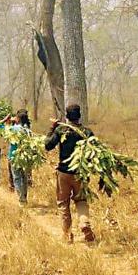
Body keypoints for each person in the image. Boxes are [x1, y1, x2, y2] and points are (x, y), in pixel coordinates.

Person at [45, 103, 95, 243]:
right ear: (79, 116)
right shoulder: (87, 132)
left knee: (63, 203)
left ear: (67, 116)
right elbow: (94, 152)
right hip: (80, 173)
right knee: (81, 201)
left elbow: (48, 145)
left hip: (64, 173)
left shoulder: (61, 131)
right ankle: (84, 223)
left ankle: (67, 234)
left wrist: (52, 128)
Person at [9, 110, 32, 206]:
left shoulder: (13, 128)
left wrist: (8, 120)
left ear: (18, 119)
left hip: (14, 156)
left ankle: (21, 199)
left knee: (17, 178)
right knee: (24, 178)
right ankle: (24, 198)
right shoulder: (28, 130)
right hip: (25, 156)